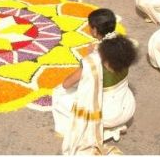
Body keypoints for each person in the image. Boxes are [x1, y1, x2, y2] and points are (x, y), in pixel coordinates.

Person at [52, 8, 137, 153]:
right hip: (128, 107)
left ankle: (79, 129)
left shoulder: (93, 60)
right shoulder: (124, 45)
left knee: (59, 93)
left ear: (95, 30)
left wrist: (88, 58)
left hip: (108, 115)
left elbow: (67, 84)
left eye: (90, 26)